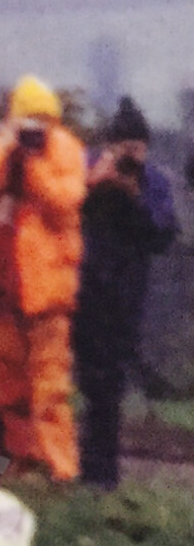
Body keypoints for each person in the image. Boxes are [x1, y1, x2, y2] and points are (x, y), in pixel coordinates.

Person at [0, 76, 88, 482]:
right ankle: (18, 460)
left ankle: (59, 467)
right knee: (8, 384)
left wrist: (31, 165)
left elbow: (65, 200)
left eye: (41, 122)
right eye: (28, 122)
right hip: (3, 286)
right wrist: (3, 146)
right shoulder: (4, 147)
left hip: (47, 291)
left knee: (50, 385)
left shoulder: (66, 149)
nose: (35, 130)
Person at [75, 97, 179, 489]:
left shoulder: (154, 182)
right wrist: (94, 184)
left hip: (126, 295)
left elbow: (162, 236)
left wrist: (134, 196)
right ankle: (54, 464)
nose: (131, 156)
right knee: (70, 380)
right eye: (124, 147)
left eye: (138, 148)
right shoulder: (87, 166)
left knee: (109, 386)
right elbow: (60, 210)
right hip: (83, 285)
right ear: (109, 145)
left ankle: (101, 476)